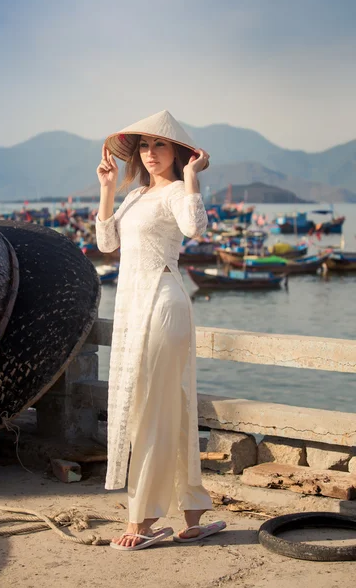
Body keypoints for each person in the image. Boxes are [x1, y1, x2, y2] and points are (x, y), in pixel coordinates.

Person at [96, 110, 226, 551]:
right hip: (134, 306)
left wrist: (191, 178)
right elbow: (107, 244)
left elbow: (194, 228)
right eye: (146, 146)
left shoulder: (174, 192)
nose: (151, 154)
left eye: (161, 145)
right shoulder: (134, 197)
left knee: (154, 406)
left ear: (179, 153)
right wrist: (108, 190)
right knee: (167, 404)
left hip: (163, 302)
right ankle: (192, 514)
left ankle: (145, 521)